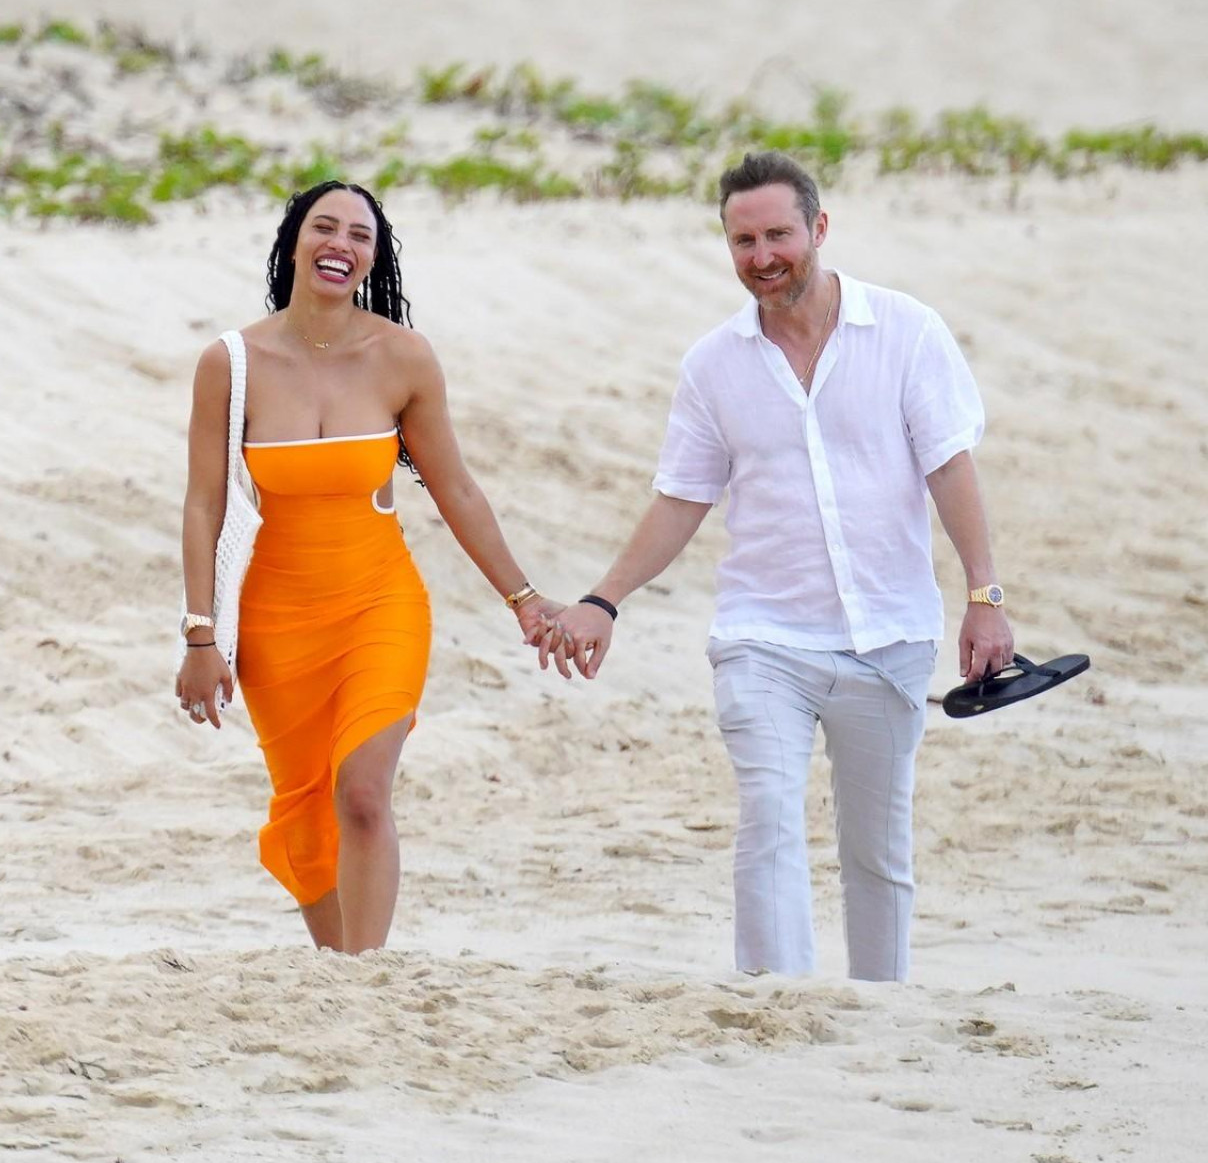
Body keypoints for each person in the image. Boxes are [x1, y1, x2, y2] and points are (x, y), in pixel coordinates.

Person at [536, 152, 1013, 982]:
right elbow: (681, 498)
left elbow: (949, 466)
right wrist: (602, 600)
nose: (763, 257)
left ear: (819, 228)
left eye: (778, 235)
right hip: (764, 638)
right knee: (768, 818)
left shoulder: (907, 331)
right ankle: (778, 1003)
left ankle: (881, 1007)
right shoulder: (712, 365)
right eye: (743, 240)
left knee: (877, 850)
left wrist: (984, 595)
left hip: (889, 635)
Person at [175, 180, 559, 955]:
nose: (341, 245)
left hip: (379, 605)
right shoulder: (231, 363)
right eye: (325, 227)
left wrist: (522, 597)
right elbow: (203, 505)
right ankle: (341, 970)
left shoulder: (403, 358)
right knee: (305, 808)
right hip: (276, 622)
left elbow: (456, 489)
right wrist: (199, 636)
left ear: (373, 259)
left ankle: (367, 975)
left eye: (360, 236)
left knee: (360, 792)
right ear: (293, 242)